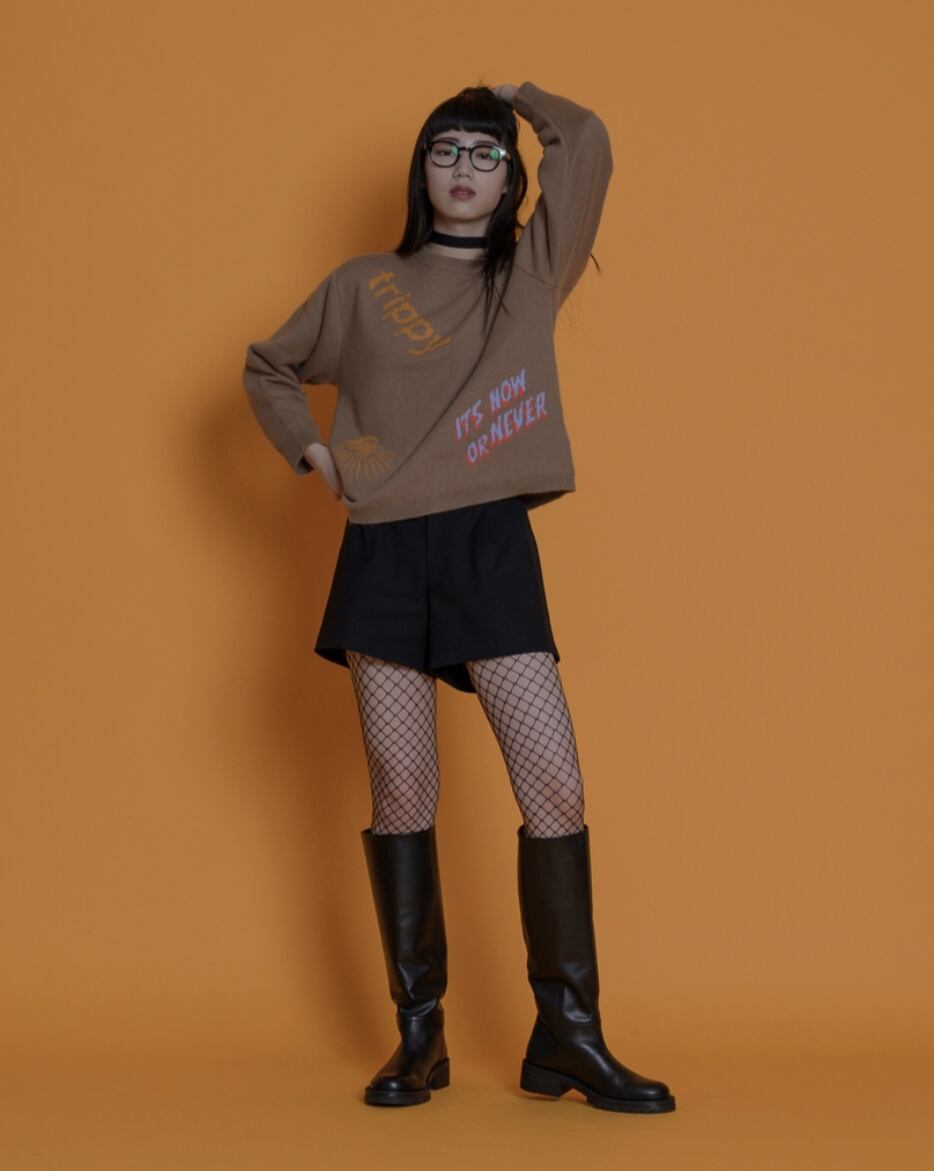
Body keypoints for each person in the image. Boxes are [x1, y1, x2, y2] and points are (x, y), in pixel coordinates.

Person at [242, 80, 676, 1115]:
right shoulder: (363, 285)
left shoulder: (528, 276)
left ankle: (567, 1034)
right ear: (421, 171)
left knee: (553, 785)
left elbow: (589, 143)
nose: (466, 168)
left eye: (487, 153)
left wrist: (513, 96)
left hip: (487, 544)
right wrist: (310, 451)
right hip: (385, 551)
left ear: (511, 177)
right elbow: (268, 366)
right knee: (401, 785)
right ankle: (420, 1033)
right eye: (446, 149)